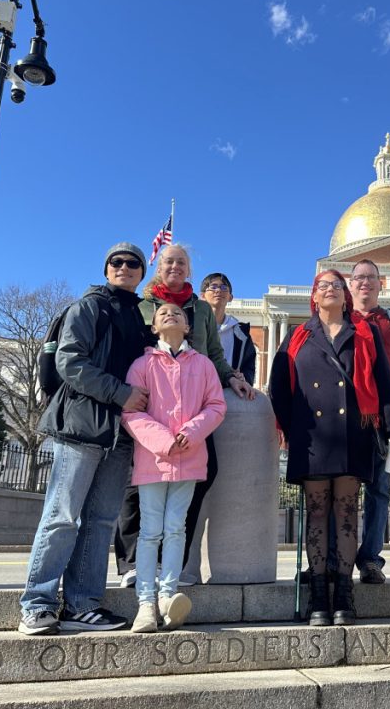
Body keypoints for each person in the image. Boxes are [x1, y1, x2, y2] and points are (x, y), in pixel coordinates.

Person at [18, 242, 150, 636]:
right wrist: (120, 393)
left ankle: (82, 604)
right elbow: (70, 362)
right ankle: (37, 604)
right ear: (107, 269)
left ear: (142, 272)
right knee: (62, 517)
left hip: (119, 434)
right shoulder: (89, 306)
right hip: (81, 426)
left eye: (133, 263)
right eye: (117, 262)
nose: (124, 267)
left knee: (100, 521)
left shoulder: (140, 317)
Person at [115, 244, 255, 587]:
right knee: (136, 484)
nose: (175, 266)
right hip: (146, 403)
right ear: (158, 267)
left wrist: (232, 377)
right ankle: (133, 561)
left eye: (181, 261)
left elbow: (213, 355)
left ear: (188, 269)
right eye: (168, 261)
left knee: (201, 476)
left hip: (190, 408)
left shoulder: (201, 310)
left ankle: (172, 561)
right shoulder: (141, 305)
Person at [269, 269, 390, 626]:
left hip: (352, 433)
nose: (330, 290)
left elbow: (384, 383)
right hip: (312, 437)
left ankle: (344, 593)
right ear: (314, 295)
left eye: (337, 286)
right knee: (316, 513)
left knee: (345, 513)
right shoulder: (298, 335)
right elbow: (277, 384)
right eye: (323, 286)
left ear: (346, 296)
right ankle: (318, 596)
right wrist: (290, 426)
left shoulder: (364, 332)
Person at [121, 303, 226, 632]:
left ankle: (168, 595)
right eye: (163, 313)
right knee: (151, 531)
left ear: (188, 327)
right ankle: (146, 603)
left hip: (190, 458)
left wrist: (191, 433)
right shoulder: (141, 365)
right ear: (154, 327)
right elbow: (132, 413)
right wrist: (165, 440)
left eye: (178, 314)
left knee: (177, 528)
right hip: (153, 458)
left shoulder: (204, 365)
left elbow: (216, 405)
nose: (171, 315)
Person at [348, 258, 390, 584]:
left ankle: (371, 559)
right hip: (344, 413)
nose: (365, 282)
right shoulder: (339, 317)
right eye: (359, 277)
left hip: (385, 414)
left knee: (378, 488)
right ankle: (335, 558)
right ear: (351, 285)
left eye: (371, 278)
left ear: (380, 284)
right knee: (341, 489)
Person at [200, 272, 257, 385]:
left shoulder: (241, 333)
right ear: (202, 296)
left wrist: (243, 378)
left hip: (229, 390)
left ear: (230, 297)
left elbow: (249, 366)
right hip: (198, 388)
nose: (218, 290)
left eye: (224, 287)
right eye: (213, 287)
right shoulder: (193, 327)